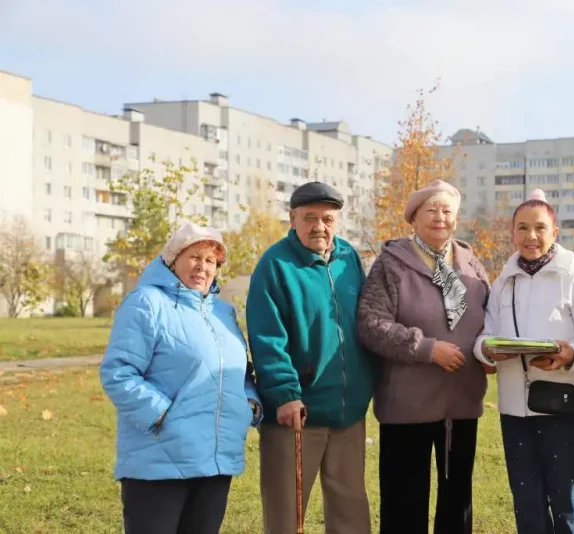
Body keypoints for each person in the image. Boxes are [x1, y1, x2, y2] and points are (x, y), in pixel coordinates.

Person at [100, 222, 263, 534]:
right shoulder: (147, 303)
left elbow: (240, 371)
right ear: (174, 258)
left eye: (210, 261)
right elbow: (118, 372)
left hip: (216, 459)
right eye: (195, 257)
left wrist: (250, 405)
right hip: (160, 458)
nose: (202, 267)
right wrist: (163, 415)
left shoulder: (223, 313)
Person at [357, 179, 490, 534]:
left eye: (447, 211)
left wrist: (490, 349)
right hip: (408, 408)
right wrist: (427, 349)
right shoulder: (391, 264)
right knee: (405, 506)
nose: (439, 218)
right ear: (413, 218)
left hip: (461, 406)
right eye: (430, 210)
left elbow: (490, 319)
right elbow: (371, 324)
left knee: (457, 503)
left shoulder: (471, 264)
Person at [472, 189, 574, 534]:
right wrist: (488, 350)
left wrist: (570, 354)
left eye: (540, 228)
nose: (531, 236)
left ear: (554, 233)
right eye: (522, 228)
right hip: (514, 412)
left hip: (562, 409)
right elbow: (483, 336)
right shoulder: (502, 284)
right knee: (527, 506)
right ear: (512, 233)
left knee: (567, 506)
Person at [246, 181, 374, 534]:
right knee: (288, 512)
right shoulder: (275, 265)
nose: (320, 226)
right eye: (310, 218)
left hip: (348, 412)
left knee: (350, 506)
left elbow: (362, 321)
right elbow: (267, 338)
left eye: (328, 218)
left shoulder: (348, 258)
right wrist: (286, 395)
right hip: (296, 412)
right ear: (292, 219)